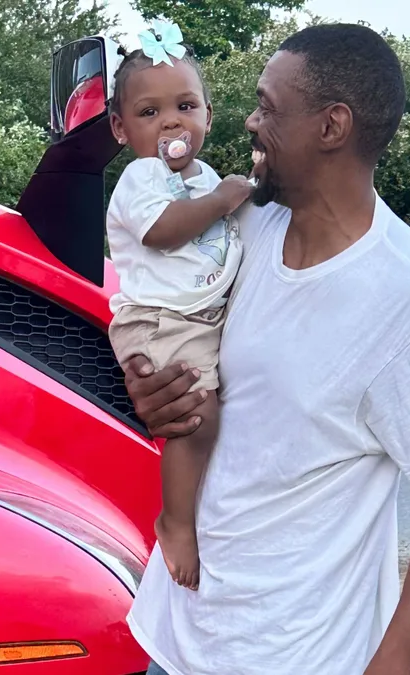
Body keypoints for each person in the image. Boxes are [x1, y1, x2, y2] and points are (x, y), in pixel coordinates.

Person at [124, 23, 410, 675]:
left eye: (267, 106)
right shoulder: (246, 226)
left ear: (332, 126)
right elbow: (190, 360)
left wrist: (390, 666)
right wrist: (157, 393)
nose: (248, 121)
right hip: (177, 635)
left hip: (290, 655)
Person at [105, 22, 255, 591]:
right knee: (197, 416)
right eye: (149, 112)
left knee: (211, 412)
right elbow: (164, 234)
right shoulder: (143, 179)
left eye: (185, 105)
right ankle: (177, 521)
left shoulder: (202, 178)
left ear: (207, 117)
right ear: (121, 128)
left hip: (195, 316)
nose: (171, 121)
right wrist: (223, 200)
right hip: (160, 319)